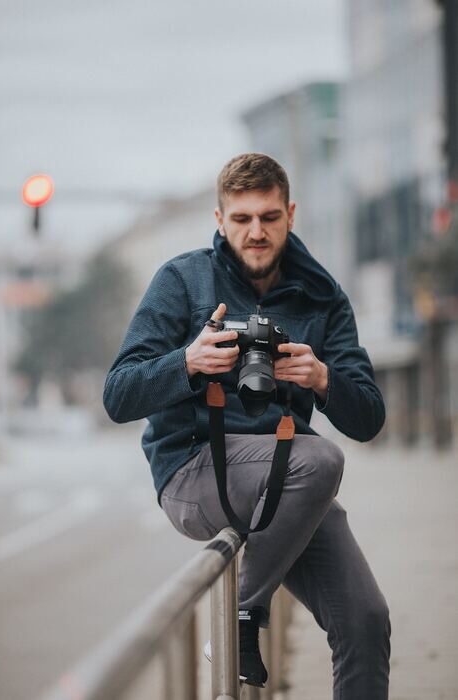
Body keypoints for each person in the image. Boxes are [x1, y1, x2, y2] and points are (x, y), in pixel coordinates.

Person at [103, 153, 391, 697]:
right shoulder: (183, 281)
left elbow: (369, 417)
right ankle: (243, 617)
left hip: (288, 482)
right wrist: (188, 362)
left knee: (365, 620)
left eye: (269, 216)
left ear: (290, 214)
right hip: (194, 472)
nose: (256, 231)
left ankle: (242, 614)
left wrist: (322, 377)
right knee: (322, 459)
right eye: (241, 219)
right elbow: (118, 394)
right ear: (219, 220)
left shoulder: (322, 298)